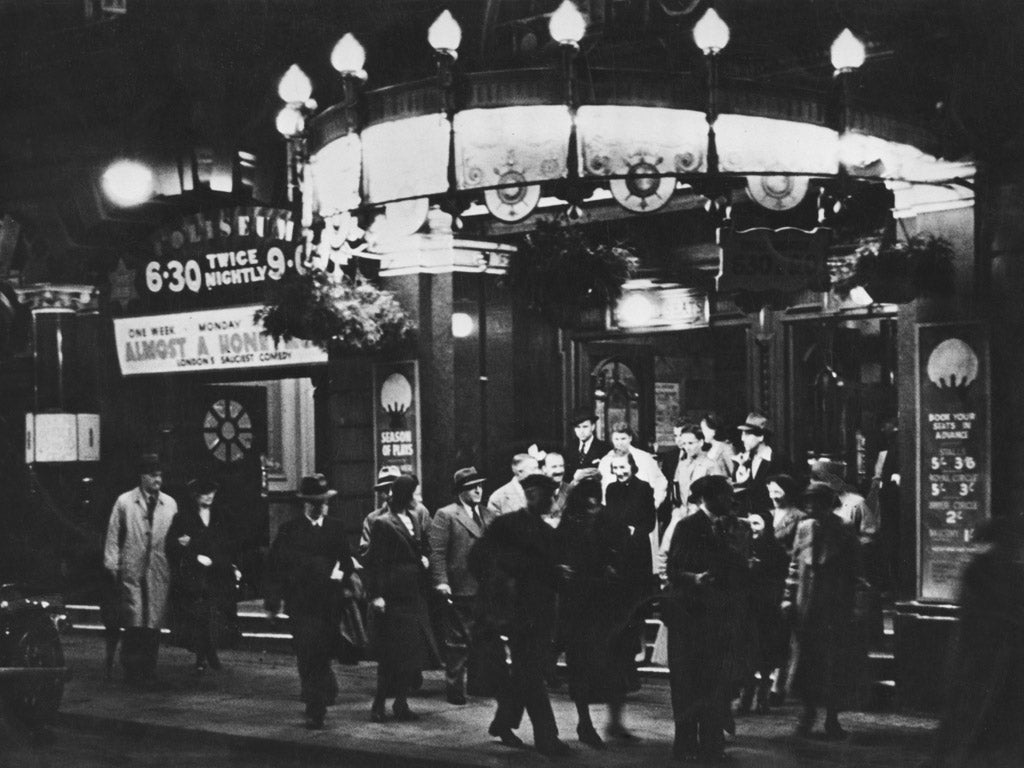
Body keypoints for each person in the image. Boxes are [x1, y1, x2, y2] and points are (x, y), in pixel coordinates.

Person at [469, 473, 572, 758]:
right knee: (532, 673)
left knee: (527, 672)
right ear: (532, 494)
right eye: (548, 494)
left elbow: (550, 575)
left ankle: (503, 722)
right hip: (513, 614)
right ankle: (547, 738)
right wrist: (499, 590)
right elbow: (477, 559)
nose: (552, 500)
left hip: (539, 615)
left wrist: (559, 575)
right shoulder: (506, 526)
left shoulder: (548, 532)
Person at [663, 475, 752, 763]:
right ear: (707, 498)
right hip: (690, 617)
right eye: (725, 495)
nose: (730, 500)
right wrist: (695, 579)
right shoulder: (687, 526)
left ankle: (712, 744)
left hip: (720, 616)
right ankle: (685, 744)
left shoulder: (732, 526)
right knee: (688, 682)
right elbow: (674, 569)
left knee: (715, 683)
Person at [932, 515, 1024, 768]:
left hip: (973, 647)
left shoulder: (975, 563)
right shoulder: (1000, 566)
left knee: (966, 708)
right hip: (995, 650)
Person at [266, 473, 355, 730]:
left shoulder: (335, 528)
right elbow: (274, 569)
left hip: (329, 604)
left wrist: (340, 573)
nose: (320, 506)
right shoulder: (290, 531)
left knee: (323, 653)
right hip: (301, 604)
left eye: (324, 501)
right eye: (315, 502)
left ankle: (321, 694)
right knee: (307, 653)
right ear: (305, 503)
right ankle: (315, 706)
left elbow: (346, 561)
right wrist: (273, 604)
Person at [557, 478, 639, 749]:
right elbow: (560, 554)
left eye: (596, 502)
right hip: (581, 602)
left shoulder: (606, 518)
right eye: (589, 502)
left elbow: (624, 549)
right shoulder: (571, 521)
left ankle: (614, 722)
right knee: (582, 664)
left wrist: (615, 565)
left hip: (607, 601)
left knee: (616, 663)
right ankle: (585, 723)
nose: (594, 506)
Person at [782, 481, 862, 740]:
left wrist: (853, 604)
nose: (811, 507)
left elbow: (854, 572)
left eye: (816, 502)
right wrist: (787, 598)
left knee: (833, 663)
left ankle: (832, 718)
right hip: (806, 605)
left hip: (833, 606)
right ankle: (806, 714)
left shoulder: (844, 530)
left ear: (828, 504)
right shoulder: (803, 528)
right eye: (808, 502)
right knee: (806, 661)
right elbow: (794, 564)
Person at [365, 475, 439, 723]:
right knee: (390, 654)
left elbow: (422, 546)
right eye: (412, 494)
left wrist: (424, 558)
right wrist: (376, 595)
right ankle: (379, 703)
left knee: (411, 653)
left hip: (414, 592)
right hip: (393, 594)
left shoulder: (415, 518)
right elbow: (375, 562)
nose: (415, 498)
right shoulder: (382, 523)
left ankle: (401, 702)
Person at [103, 453, 178, 687]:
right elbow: (113, 535)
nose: (158, 480)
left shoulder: (170, 503)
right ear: (142, 476)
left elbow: (176, 536)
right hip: (132, 567)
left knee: (153, 621)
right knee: (134, 619)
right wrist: (112, 564)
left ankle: (149, 669)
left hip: (158, 568)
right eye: (153, 475)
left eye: (160, 475)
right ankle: (131, 669)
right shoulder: (125, 502)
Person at [428, 467, 495, 705]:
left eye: (480, 485)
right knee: (457, 641)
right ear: (460, 491)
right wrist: (442, 582)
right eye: (471, 487)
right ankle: (455, 688)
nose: (478, 490)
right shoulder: (447, 515)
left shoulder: (488, 514)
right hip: (460, 586)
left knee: (484, 638)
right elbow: (437, 553)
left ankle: (480, 685)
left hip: (485, 587)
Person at [166, 478, 239, 675]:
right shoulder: (183, 518)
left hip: (217, 572)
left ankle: (208, 650)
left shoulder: (221, 516)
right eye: (204, 494)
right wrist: (194, 555)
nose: (209, 497)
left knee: (213, 613)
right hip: (194, 575)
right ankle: (204, 654)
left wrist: (229, 564)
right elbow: (172, 545)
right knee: (200, 615)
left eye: (211, 493)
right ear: (196, 496)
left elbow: (228, 543)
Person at [736, 510, 789, 715]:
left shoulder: (775, 549)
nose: (752, 527)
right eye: (749, 523)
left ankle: (762, 696)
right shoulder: (742, 545)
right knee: (748, 655)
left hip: (767, 608)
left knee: (766, 655)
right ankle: (746, 696)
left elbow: (780, 576)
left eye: (757, 523)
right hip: (748, 607)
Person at [764, 473, 806, 704]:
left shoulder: (799, 517)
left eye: (778, 491)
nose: (773, 496)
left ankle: (778, 684)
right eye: (770, 491)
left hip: (786, 577)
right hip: (766, 578)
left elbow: (799, 550)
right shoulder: (765, 515)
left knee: (785, 631)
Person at [597, 422, 668, 511]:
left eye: (623, 438)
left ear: (630, 438)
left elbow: (660, 481)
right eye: (616, 439)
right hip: (614, 510)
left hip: (641, 510)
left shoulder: (644, 457)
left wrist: (654, 503)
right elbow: (601, 486)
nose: (620, 443)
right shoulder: (606, 460)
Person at [732, 413, 786, 517]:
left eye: (747, 434)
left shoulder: (777, 461)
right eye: (742, 434)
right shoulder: (744, 461)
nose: (742, 439)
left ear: (761, 436)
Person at [359, 465, 402, 559]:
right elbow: (364, 551)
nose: (390, 493)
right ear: (380, 493)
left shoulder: (418, 513)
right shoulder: (372, 519)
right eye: (386, 489)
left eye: (394, 488)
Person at [564, 407, 611, 480]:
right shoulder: (570, 447)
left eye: (585, 427)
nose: (581, 431)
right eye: (578, 427)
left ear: (592, 427)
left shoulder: (604, 448)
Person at [700, 412, 736, 477]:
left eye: (705, 429)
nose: (703, 433)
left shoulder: (726, 448)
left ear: (714, 430)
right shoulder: (707, 449)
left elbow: (733, 473)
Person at [541, 451, 571, 523]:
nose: (559, 470)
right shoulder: (537, 491)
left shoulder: (571, 490)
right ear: (544, 469)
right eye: (554, 467)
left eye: (561, 466)